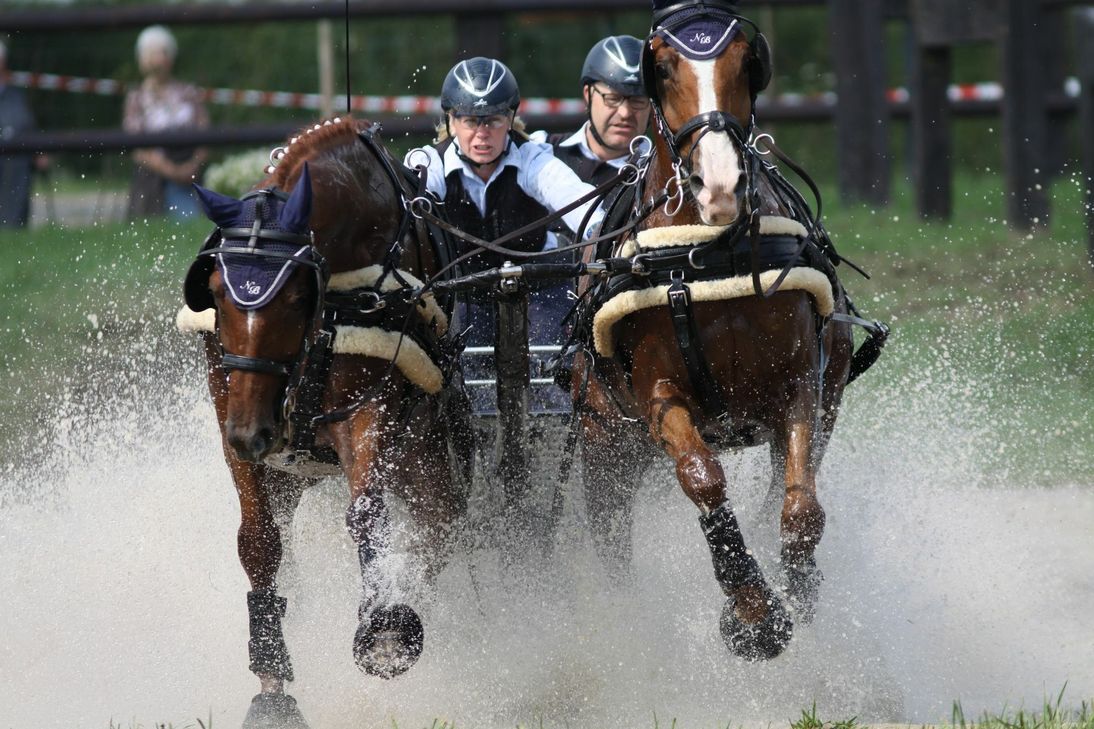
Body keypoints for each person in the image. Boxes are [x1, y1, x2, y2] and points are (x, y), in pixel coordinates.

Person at [405, 57, 604, 348]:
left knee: (554, 355)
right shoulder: (430, 163)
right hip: (465, 291)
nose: (482, 133)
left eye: (493, 120)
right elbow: (406, 208)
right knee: (456, 359)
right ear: (451, 120)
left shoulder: (533, 158)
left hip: (541, 285)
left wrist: (598, 230)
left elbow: (575, 197)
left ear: (510, 119)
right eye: (471, 120)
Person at [532, 35, 651, 186]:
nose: (625, 113)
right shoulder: (540, 151)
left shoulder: (663, 178)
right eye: (612, 98)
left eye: (637, 100)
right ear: (588, 94)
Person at [123, 25, 209, 220]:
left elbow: (206, 133)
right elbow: (136, 147)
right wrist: (171, 170)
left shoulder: (188, 93)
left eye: (163, 53)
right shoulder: (137, 98)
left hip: (191, 173)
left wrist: (192, 165)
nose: (159, 59)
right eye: (152, 53)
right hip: (152, 180)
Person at [0, 39, 43, 228]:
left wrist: (39, 150)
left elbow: (25, 123)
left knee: (18, 163)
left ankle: (13, 224)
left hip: (14, 156)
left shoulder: (16, 97)